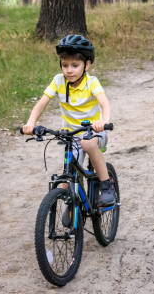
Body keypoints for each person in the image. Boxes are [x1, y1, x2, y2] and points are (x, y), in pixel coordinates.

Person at [22, 34, 116, 207]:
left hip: (94, 131)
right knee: (67, 179)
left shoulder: (91, 82)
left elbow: (104, 103)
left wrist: (103, 121)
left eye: (75, 65)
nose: (69, 70)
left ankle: (106, 184)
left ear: (87, 65)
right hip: (72, 135)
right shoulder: (58, 81)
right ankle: (72, 204)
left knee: (87, 144)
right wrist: (30, 123)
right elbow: (41, 103)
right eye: (65, 65)